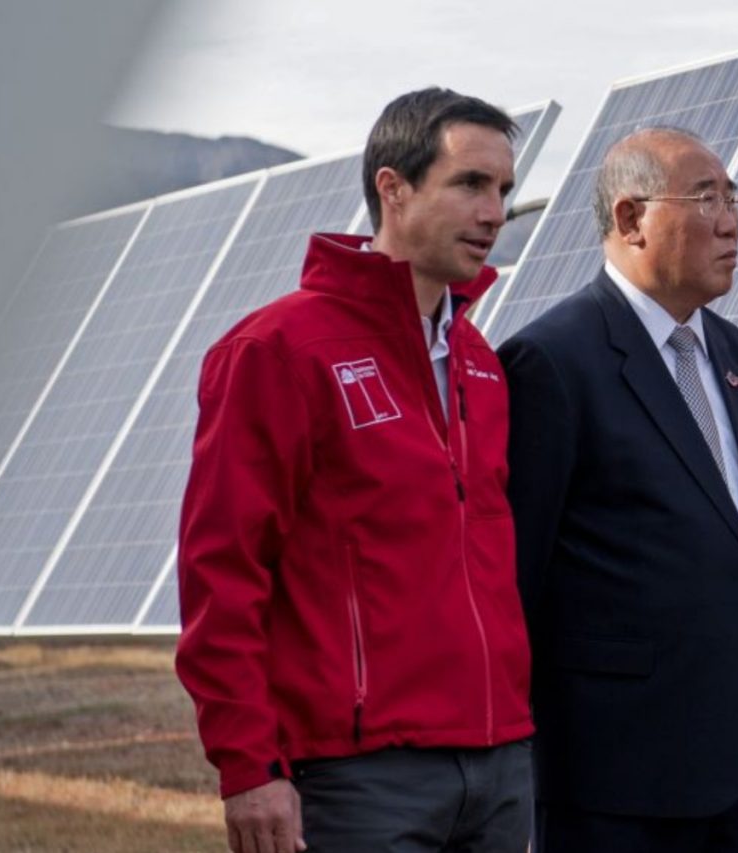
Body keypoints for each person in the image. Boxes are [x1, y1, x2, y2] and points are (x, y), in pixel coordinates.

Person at [175, 88, 534, 853]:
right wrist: (248, 765)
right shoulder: (279, 351)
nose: (495, 212)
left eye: (503, 189)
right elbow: (223, 572)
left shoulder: (480, 363)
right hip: (360, 777)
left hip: (500, 764)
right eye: (471, 183)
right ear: (392, 188)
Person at [499, 127, 738, 853]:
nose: (730, 222)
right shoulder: (552, 360)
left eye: (733, 199)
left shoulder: (737, 355)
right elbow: (517, 578)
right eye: (706, 199)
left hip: (732, 765)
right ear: (631, 219)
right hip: (612, 777)